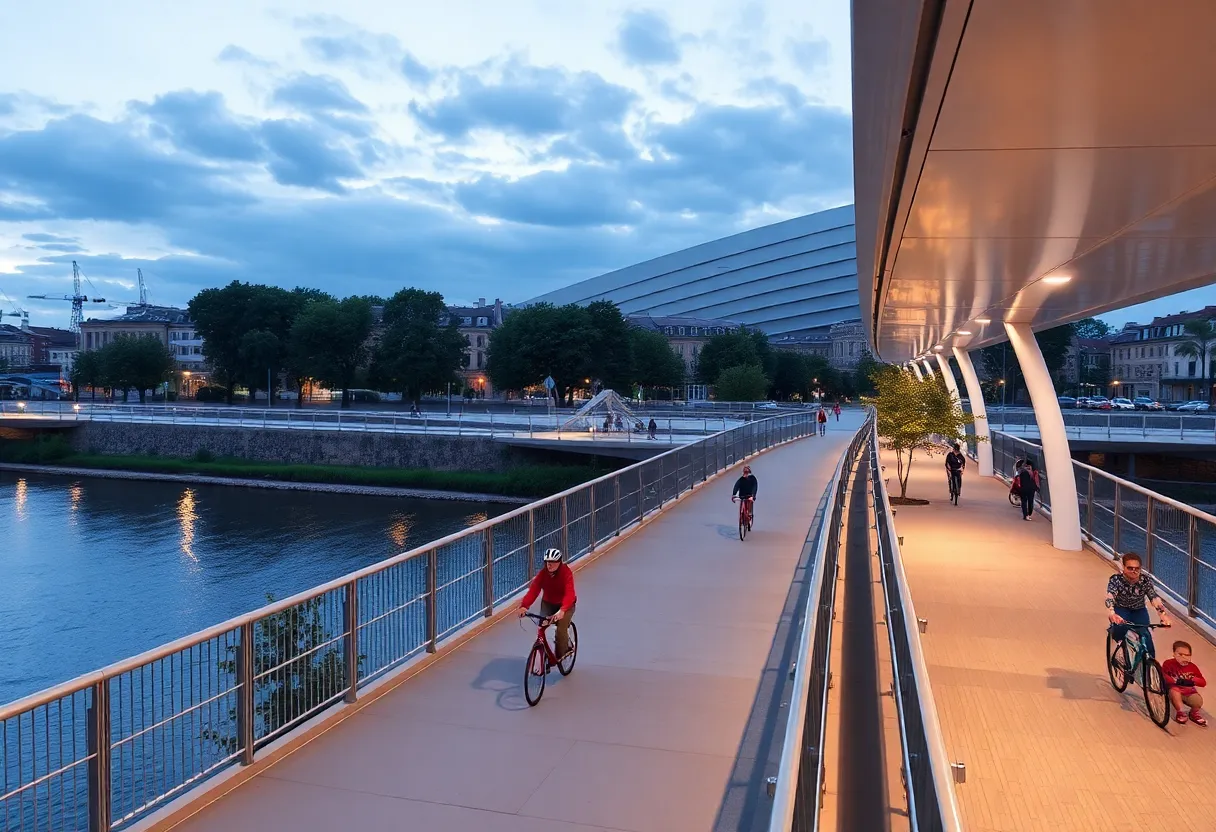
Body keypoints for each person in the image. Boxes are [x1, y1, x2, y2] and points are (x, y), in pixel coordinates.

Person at [1106, 552, 1172, 658]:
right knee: (1119, 630)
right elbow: (1110, 596)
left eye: (1137, 568)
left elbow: (1153, 597)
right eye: (1130, 568)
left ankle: (1150, 667)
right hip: (1121, 609)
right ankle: (1121, 654)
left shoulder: (1145, 580)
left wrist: (1163, 614)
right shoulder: (1116, 580)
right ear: (1123, 567)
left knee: (1146, 637)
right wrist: (1112, 612)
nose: (1134, 571)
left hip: (1139, 610)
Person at [518, 548, 577, 659]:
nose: (549, 565)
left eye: (552, 563)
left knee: (560, 631)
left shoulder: (566, 573)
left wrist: (563, 610)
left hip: (566, 605)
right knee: (541, 628)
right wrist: (524, 606)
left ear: (559, 562)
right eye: (547, 562)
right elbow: (534, 590)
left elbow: (570, 593)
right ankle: (543, 660)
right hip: (548, 603)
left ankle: (562, 653)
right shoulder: (543, 574)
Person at [1162, 640, 1207, 726]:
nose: (1183, 657)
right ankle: (1181, 712)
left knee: (1198, 701)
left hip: (1188, 691)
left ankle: (1194, 713)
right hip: (1174, 689)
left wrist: (1194, 679)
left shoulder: (1192, 667)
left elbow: (1203, 682)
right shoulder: (1168, 664)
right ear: (1174, 654)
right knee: (1175, 692)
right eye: (1180, 654)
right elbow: (1163, 675)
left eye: (1187, 655)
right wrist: (1174, 681)